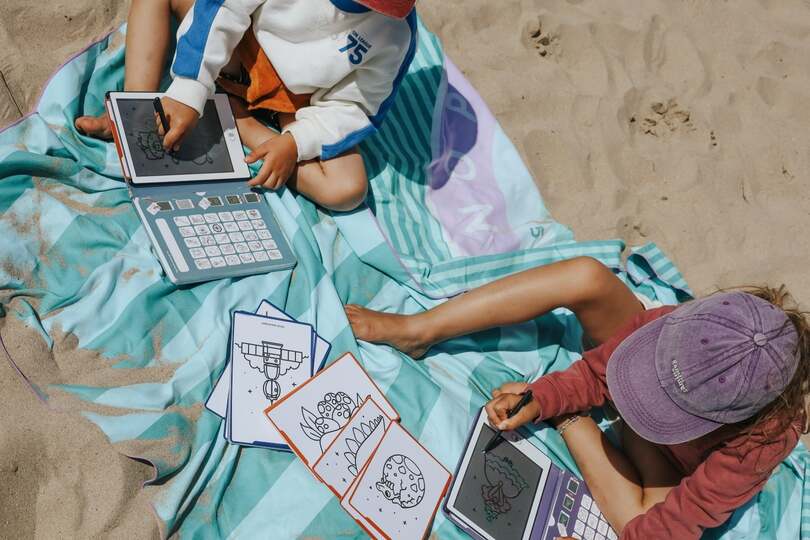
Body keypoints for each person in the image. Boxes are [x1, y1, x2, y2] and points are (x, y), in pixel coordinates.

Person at [345, 256, 809, 538]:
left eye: (664, 404)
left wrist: (567, 416)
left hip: (669, 463)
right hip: (642, 406)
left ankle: (578, 425)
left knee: (642, 522)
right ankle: (420, 329)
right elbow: (596, 372)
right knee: (586, 276)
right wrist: (544, 396)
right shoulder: (683, 329)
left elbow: (672, 525)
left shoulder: (762, 443)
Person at [75, 0, 418, 211]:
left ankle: (237, 120)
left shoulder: (396, 32)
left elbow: (356, 106)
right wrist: (189, 89)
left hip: (296, 100)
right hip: (241, 50)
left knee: (347, 190)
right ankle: (134, 109)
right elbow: (223, 8)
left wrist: (295, 142)